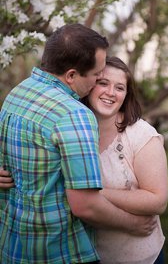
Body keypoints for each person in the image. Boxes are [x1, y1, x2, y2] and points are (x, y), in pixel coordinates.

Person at [0, 23, 157, 263]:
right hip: (58, 252)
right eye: (97, 75)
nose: (98, 80)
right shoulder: (73, 115)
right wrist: (133, 224)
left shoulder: (17, 94)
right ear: (71, 75)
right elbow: (85, 206)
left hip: (13, 248)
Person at [81, 56, 168, 264]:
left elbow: (158, 201)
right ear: (89, 85)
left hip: (140, 258)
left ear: (126, 95)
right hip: (85, 255)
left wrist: (94, 194)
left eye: (119, 87)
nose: (111, 92)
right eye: (103, 83)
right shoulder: (72, 131)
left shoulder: (142, 135)